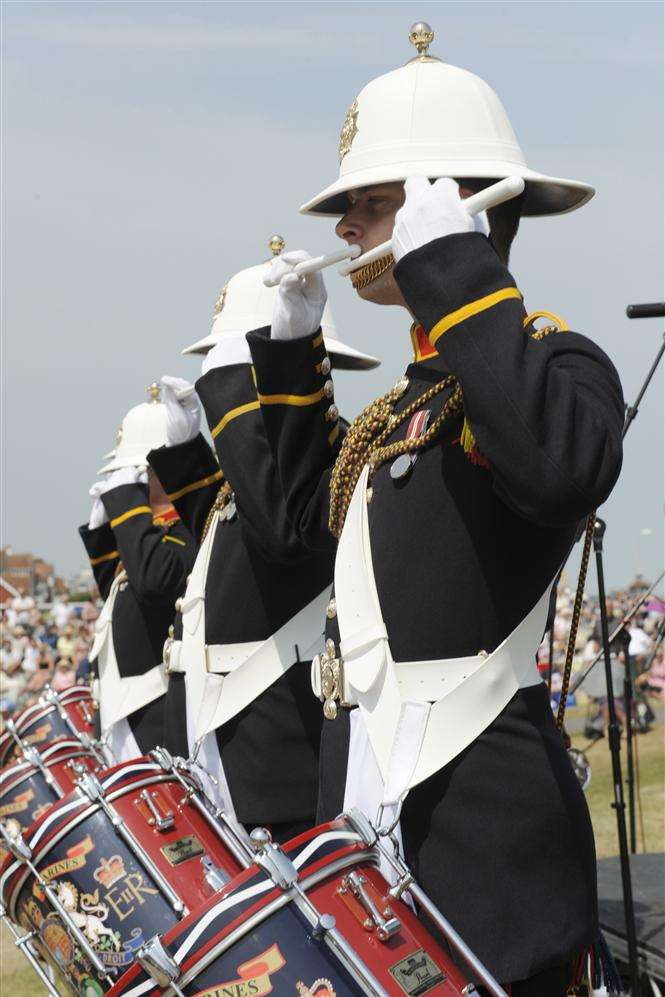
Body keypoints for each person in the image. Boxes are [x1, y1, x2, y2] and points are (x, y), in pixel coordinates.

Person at [246, 25, 624, 995]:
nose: (345, 233)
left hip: (480, 843)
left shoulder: (549, 363)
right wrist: (289, 367)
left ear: (439, 199)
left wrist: (458, 273)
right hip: (367, 825)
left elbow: (557, 467)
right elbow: (287, 534)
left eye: (366, 204)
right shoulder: (397, 408)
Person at [146, 237, 379, 843]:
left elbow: (281, 530)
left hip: (287, 773)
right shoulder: (252, 479)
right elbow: (223, 548)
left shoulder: (336, 453)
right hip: (234, 758)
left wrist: (230, 389)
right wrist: (185, 456)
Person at [79, 383, 196, 763]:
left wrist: (129, 507)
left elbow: (153, 582)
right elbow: (121, 600)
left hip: (159, 725)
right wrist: (104, 536)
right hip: (128, 718)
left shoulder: (188, 531)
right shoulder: (151, 540)